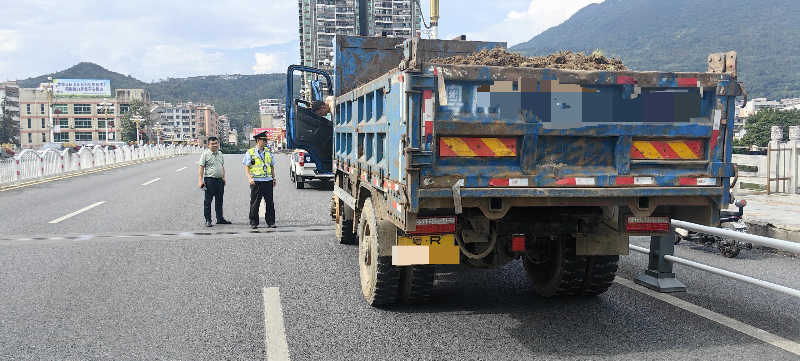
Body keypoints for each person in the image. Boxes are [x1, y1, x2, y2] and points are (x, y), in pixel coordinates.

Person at [243, 131, 276, 229]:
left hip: (267, 180)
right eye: (264, 140)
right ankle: (253, 222)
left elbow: (272, 166)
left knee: (270, 202)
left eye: (266, 140)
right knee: (255, 202)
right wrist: (249, 178)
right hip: (256, 181)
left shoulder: (268, 152)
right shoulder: (250, 152)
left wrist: (273, 178)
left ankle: (271, 222)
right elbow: (247, 166)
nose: (266, 142)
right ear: (258, 140)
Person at [198, 137, 231, 227]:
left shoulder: (220, 154)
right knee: (208, 201)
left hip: (219, 180)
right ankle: (208, 220)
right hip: (209, 180)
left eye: (216, 143)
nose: (215, 145)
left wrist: (224, 177)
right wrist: (200, 180)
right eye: (212, 144)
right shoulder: (205, 155)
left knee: (219, 201)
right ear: (209, 145)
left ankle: (220, 218)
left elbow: (222, 166)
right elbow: (201, 168)